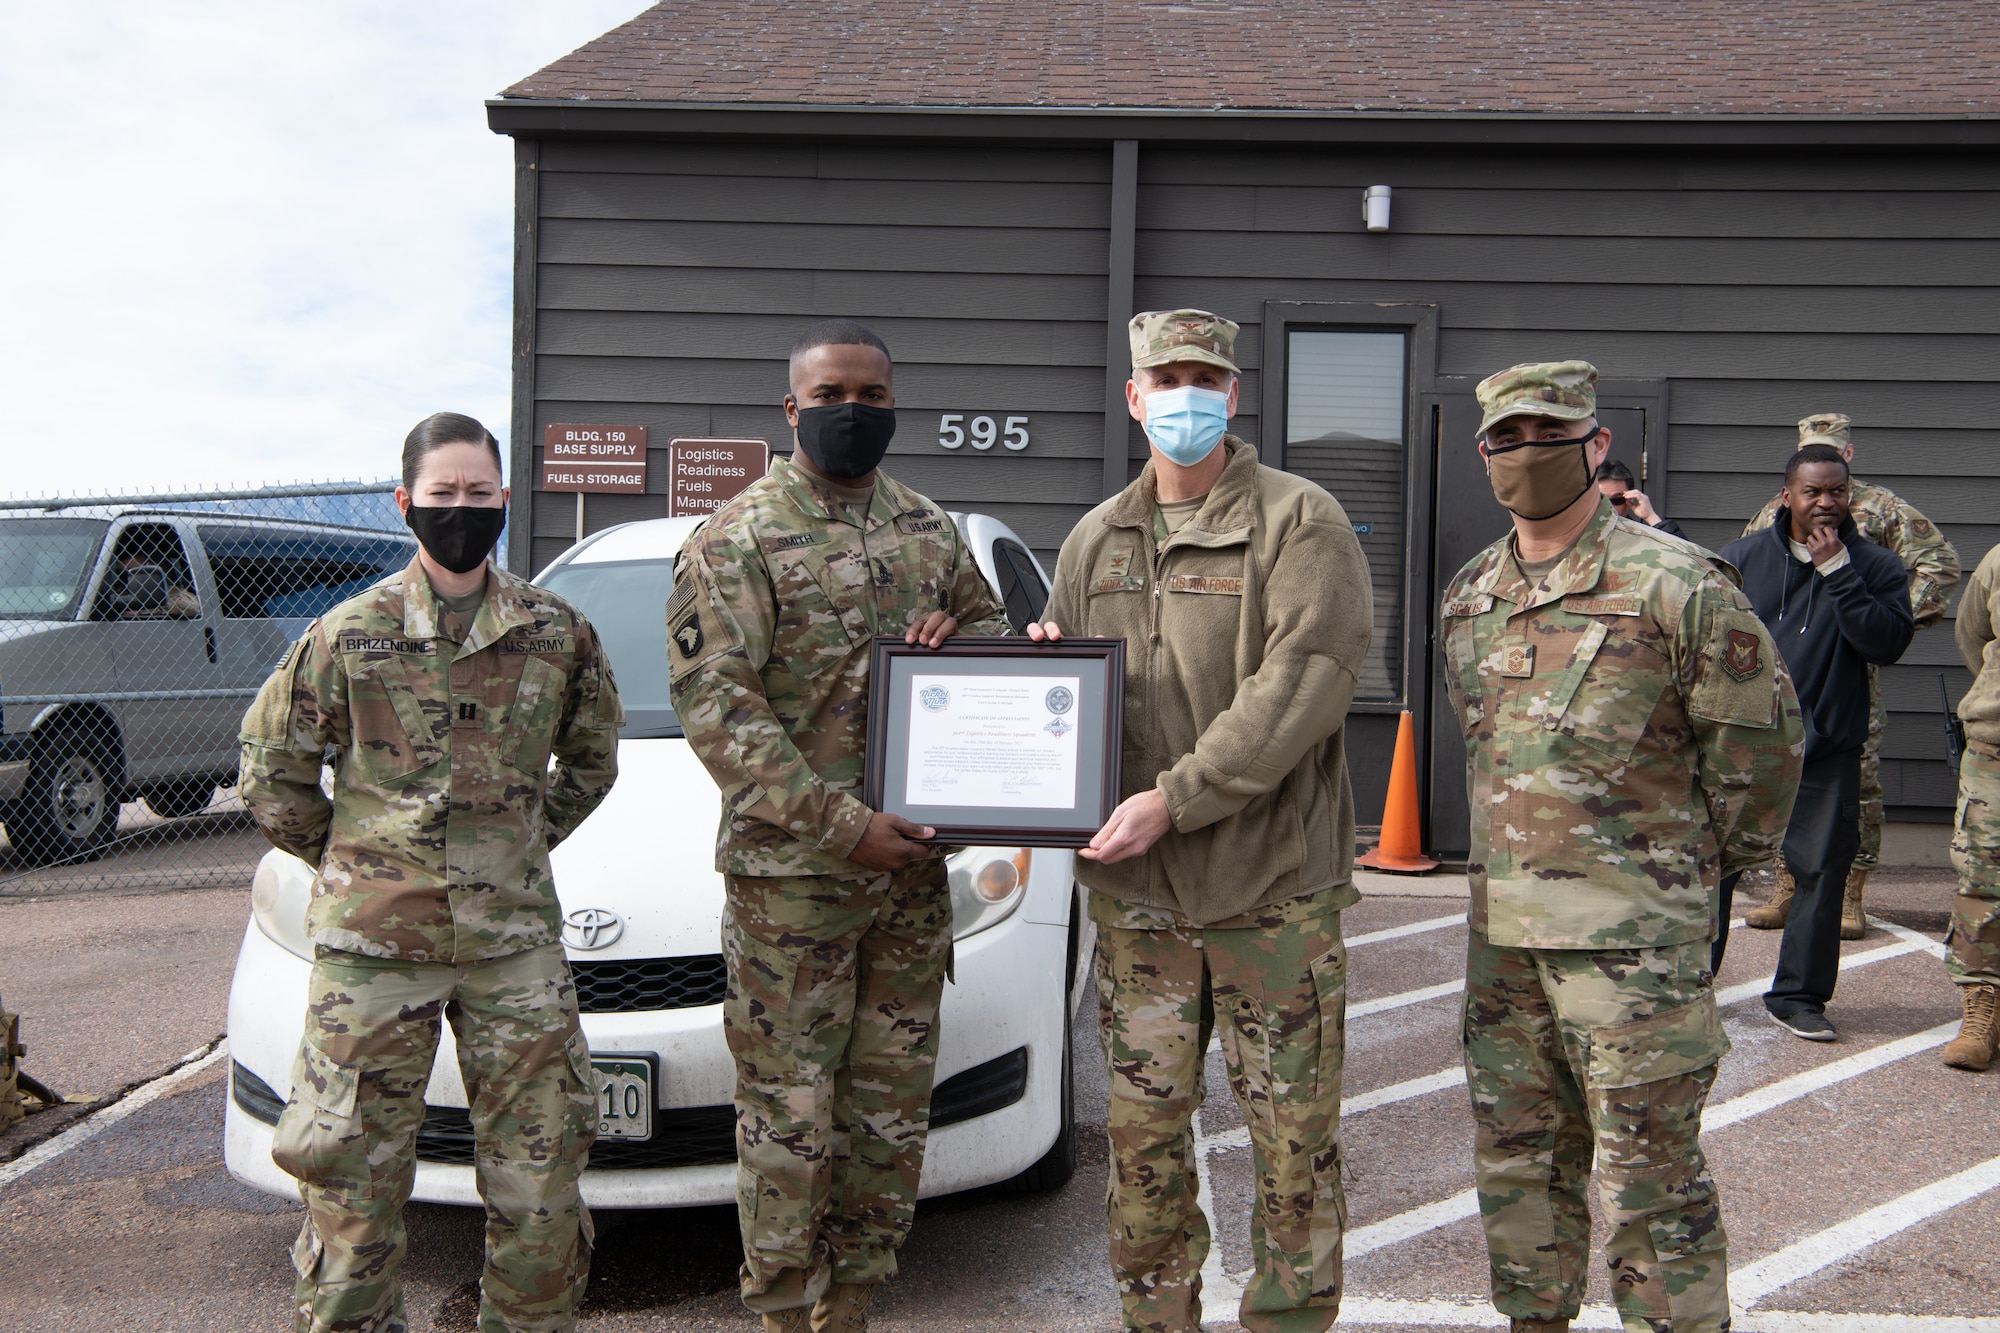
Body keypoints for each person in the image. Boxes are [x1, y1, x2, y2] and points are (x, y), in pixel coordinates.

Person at [238, 411, 623, 1333]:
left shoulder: (555, 632)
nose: (462, 509)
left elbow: (593, 759)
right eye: (443, 495)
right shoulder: (347, 633)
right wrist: (357, 858)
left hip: (511, 950)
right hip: (374, 953)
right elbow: (270, 769)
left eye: (478, 494)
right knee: (349, 1190)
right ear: (407, 502)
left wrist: (516, 846)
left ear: (503, 502)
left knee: (542, 1191)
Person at [1027, 309, 1373, 1333]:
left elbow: (1300, 686)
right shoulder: (1097, 536)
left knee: (1292, 1147)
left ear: (1231, 395)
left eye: (1203, 378)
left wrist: (1171, 800)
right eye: (1163, 378)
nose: (1184, 396)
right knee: (1140, 1149)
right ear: (1133, 398)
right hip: (1140, 909)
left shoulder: (1297, 521)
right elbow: (1075, 695)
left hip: (1272, 896)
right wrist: (1039, 683)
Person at [1441, 360, 1801, 1333]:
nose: (1527, 454)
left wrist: (1678, 876)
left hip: (1634, 950)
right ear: (1482, 455)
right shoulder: (1469, 596)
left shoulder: (1675, 581)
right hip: (1503, 945)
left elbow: (1762, 749)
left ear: (1595, 445)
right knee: (1518, 1168)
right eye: (1507, 438)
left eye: (1549, 435)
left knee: (1652, 1184)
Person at [667, 320, 1013, 1333]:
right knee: (789, 1117)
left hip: (908, 878)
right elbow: (718, 711)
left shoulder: (924, 526)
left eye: (869, 394)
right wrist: (837, 824)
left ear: (893, 403)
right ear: (790, 409)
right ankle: (785, 1308)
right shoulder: (733, 540)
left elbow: (989, 645)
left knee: (890, 1109)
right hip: (795, 888)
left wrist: (966, 636)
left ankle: (855, 1298)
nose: (850, 412)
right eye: (829, 395)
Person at [1719, 446, 1914, 1039]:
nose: (1826, 502)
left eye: (1837, 491)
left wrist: (1839, 575)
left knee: (1821, 873)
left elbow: (1885, 643)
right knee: (1711, 870)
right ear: (1787, 496)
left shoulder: (1876, 565)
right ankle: (1687, 986)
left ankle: (1798, 998)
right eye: (1813, 492)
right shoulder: (1742, 559)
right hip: (1741, 749)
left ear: (1848, 495)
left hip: (1827, 749)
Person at [1740, 414, 1959, 939]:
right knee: (1781, 782)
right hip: (1784, 676)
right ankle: (1787, 885)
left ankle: (1849, 896)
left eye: (1831, 456)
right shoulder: (1777, 508)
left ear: (1849, 454)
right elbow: (1749, 575)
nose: (1822, 498)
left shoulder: (1881, 507)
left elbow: (1939, 563)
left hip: (1848, 666)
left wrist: (1897, 618)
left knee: (1854, 788)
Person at [1938, 543, 2000, 1070]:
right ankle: (1982, 1009)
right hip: (1996, 748)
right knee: (1982, 880)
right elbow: (1973, 637)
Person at [1591, 459, 1687, 539]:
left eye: (1617, 500)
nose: (1609, 506)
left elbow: (1685, 559)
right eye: (1601, 498)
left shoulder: (1639, 537)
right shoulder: (1577, 531)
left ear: (1629, 499)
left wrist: (1651, 517)